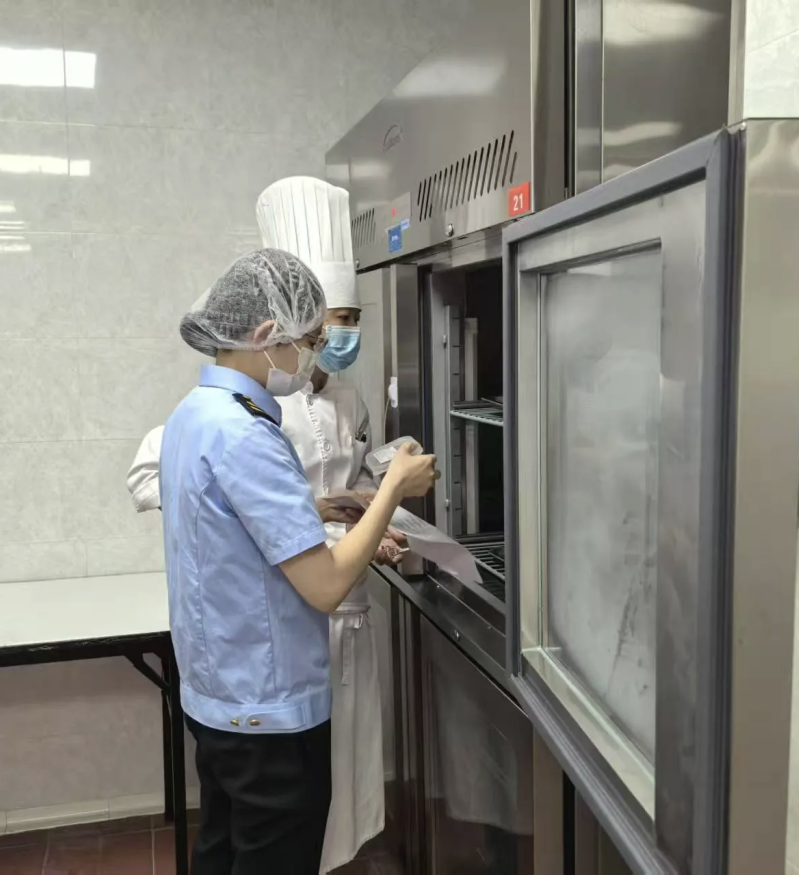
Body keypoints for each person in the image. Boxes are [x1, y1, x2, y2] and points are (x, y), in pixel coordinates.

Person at [128, 177, 404, 872]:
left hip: (218, 697)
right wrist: (392, 490)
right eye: (306, 340)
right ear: (263, 336)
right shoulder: (248, 432)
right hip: (268, 710)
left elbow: (221, 518)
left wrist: (317, 508)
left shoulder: (195, 415)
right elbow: (325, 586)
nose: (310, 356)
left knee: (224, 850)